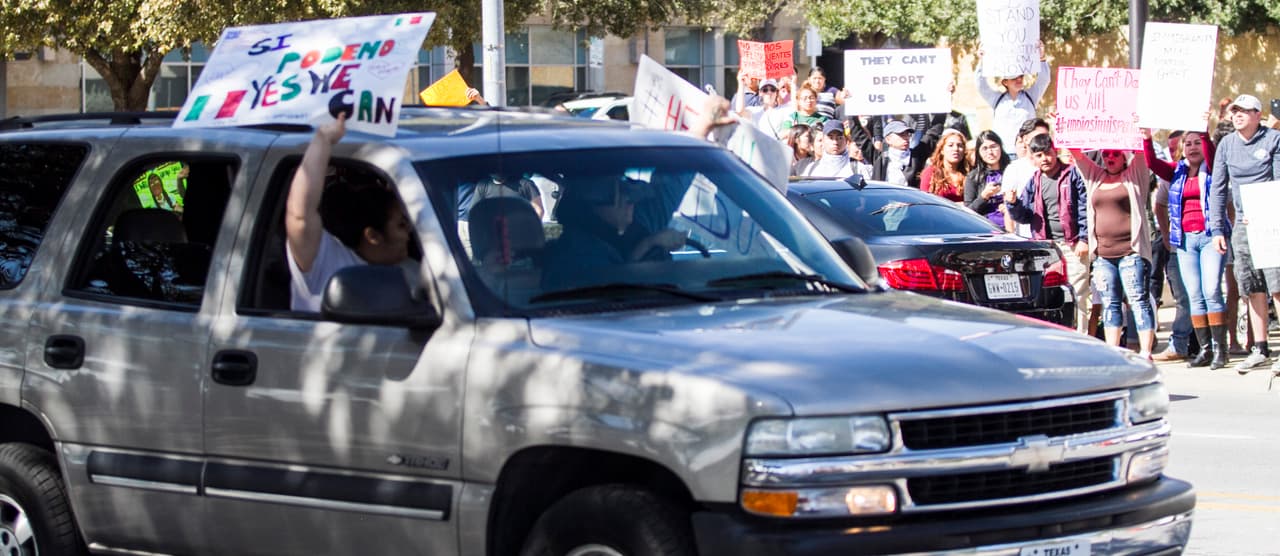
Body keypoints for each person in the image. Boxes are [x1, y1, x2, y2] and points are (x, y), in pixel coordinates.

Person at [285, 113, 413, 312]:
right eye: (401, 224)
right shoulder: (326, 259)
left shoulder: (416, 273)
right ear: (372, 235)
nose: (410, 231)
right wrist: (323, 140)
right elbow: (300, 216)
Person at [1143, 127, 1227, 367]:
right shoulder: (1176, 172)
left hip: (1210, 237)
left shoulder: (1212, 169)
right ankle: (1205, 349)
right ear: (1182, 149)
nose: (1192, 147)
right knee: (1194, 295)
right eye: (1188, 144)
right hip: (1185, 240)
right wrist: (1147, 139)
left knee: (1211, 291)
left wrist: (1204, 131)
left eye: (1196, 143)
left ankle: (1220, 350)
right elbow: (1152, 163)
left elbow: (1210, 152)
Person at [1208, 94, 1280, 374]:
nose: (1237, 115)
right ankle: (1260, 348)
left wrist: (1265, 211)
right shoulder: (1226, 144)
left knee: (1277, 285)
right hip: (1242, 225)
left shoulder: (1273, 139)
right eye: (1235, 110)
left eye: (1244, 110)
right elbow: (1218, 188)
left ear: (1258, 115)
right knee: (1251, 287)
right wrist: (1217, 228)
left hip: (1271, 222)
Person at [1065, 143, 1156, 356]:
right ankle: (1114, 352)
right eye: (1106, 154)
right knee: (1110, 304)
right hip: (1103, 256)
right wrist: (1065, 135)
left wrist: (1144, 136)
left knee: (1138, 301)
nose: (1110, 158)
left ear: (1124, 157)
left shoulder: (1134, 176)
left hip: (1131, 253)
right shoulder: (1095, 177)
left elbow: (1142, 153)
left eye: (1116, 154)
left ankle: (1145, 351)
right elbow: (1078, 156)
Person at [1005, 134, 1091, 334]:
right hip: (1046, 248)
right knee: (1048, 296)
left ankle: (1081, 338)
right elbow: (1025, 217)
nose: (1045, 159)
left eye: (1048, 153)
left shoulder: (1072, 174)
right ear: (1032, 158)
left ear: (1056, 151)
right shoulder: (1034, 182)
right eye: (1039, 155)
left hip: (1072, 245)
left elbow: (1085, 209)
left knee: (1077, 294)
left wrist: (1084, 238)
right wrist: (1013, 204)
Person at [541, 177, 687, 289]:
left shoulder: (603, 239)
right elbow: (615, 293)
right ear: (593, 204)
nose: (630, 204)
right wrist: (648, 244)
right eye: (620, 197)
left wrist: (648, 244)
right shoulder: (578, 252)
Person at [975, 42, 1051, 157]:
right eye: (1014, 78)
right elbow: (980, 85)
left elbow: (1044, 80)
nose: (1019, 80)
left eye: (1021, 76)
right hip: (1003, 154)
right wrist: (982, 61)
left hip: (1027, 153)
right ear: (1005, 82)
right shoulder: (997, 99)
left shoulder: (1031, 96)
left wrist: (1041, 58)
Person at [850, 115, 945, 189]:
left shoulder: (917, 156)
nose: (906, 138)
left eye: (907, 134)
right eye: (901, 134)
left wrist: (943, 102)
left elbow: (934, 133)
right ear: (888, 139)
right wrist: (850, 109)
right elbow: (858, 136)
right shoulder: (879, 158)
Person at [965, 130, 1012, 229]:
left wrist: (1011, 207)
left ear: (1000, 147)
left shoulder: (1012, 171)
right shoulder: (973, 177)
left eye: (993, 147)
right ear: (979, 152)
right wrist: (984, 196)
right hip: (987, 227)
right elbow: (967, 212)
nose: (990, 152)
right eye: (985, 148)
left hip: (1012, 225)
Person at [919, 128, 970, 202]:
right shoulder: (931, 173)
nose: (956, 149)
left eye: (960, 146)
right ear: (942, 150)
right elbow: (924, 201)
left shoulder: (969, 173)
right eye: (950, 145)